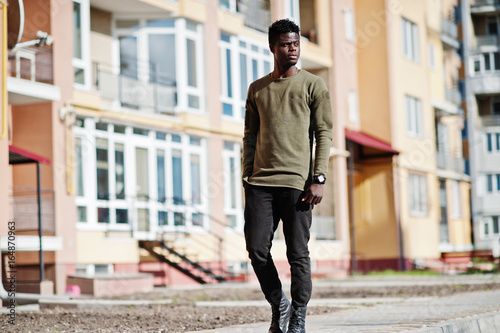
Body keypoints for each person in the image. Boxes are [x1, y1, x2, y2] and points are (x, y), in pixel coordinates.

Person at [242, 19, 333, 333]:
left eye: (295, 43)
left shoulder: (313, 85)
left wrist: (318, 177)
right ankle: (278, 304)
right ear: (272, 47)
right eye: (285, 44)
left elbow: (324, 133)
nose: (292, 48)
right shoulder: (257, 89)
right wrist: (246, 176)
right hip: (260, 184)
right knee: (256, 249)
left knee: (297, 253)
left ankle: (298, 317)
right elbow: (250, 137)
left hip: (297, 184)